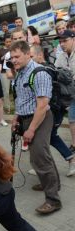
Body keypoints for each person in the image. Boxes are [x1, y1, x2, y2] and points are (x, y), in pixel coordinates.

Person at [10, 40, 62, 214]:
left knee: (40, 157)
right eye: (12, 57)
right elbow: (21, 98)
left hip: (40, 119)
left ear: (27, 54)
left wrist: (31, 129)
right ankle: (53, 183)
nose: (14, 60)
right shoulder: (20, 73)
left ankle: (53, 200)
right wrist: (16, 117)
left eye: (17, 56)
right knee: (41, 155)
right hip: (26, 118)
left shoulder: (39, 73)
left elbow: (41, 106)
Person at [29, 45, 75, 177]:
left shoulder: (44, 71)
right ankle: (43, 164)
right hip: (55, 109)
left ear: (39, 55)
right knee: (47, 137)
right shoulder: (47, 67)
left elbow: (46, 97)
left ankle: (69, 160)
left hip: (54, 110)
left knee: (47, 137)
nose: (30, 60)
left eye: (32, 57)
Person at [54, 30, 75, 154]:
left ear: (73, 39)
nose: (62, 44)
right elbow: (56, 72)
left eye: (65, 41)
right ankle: (73, 144)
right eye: (60, 41)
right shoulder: (61, 56)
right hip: (70, 94)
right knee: (72, 120)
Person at [0, 35, 12, 112]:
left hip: (14, 71)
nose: (8, 43)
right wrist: (3, 57)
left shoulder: (14, 48)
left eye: (10, 41)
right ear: (4, 42)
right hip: (4, 72)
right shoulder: (1, 50)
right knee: (6, 91)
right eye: (7, 42)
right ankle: (7, 108)